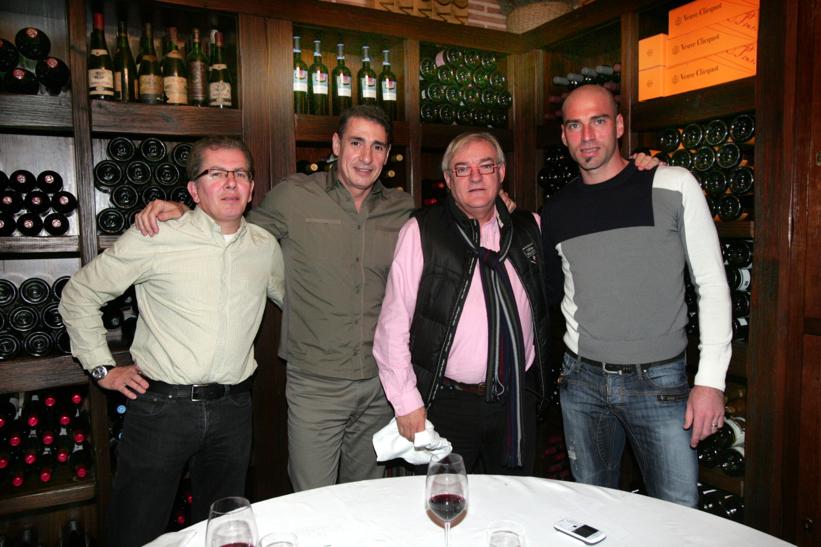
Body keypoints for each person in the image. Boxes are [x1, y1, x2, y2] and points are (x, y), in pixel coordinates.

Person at [135, 105, 415, 491]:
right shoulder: (293, 195)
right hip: (316, 385)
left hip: (381, 384)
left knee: (366, 494)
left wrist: (501, 209)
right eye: (356, 142)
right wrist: (186, 208)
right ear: (336, 144)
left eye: (378, 147)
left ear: (387, 155)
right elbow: (233, 230)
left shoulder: (403, 208)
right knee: (312, 500)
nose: (366, 157)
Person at [59, 136, 285, 547]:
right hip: (162, 410)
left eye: (240, 173)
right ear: (194, 190)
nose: (231, 182)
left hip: (234, 410)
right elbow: (79, 294)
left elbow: (299, 303)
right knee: (136, 531)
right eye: (216, 173)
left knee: (222, 533)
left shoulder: (264, 247)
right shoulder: (157, 235)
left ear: (252, 188)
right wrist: (102, 368)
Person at [540, 84, 731, 507]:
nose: (587, 135)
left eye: (599, 120)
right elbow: (553, 296)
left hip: (660, 384)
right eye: (575, 124)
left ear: (621, 126)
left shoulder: (672, 184)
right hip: (583, 383)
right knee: (592, 513)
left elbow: (712, 284)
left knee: (678, 519)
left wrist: (711, 381)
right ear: (564, 137)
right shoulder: (555, 211)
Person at [373, 132, 549, 475]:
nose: (476, 177)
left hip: (516, 402)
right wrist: (406, 401)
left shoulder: (531, 229)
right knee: (447, 506)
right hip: (449, 403)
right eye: (463, 169)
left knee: (514, 503)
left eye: (485, 166)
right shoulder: (422, 231)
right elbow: (392, 326)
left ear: (501, 172)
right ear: (449, 180)